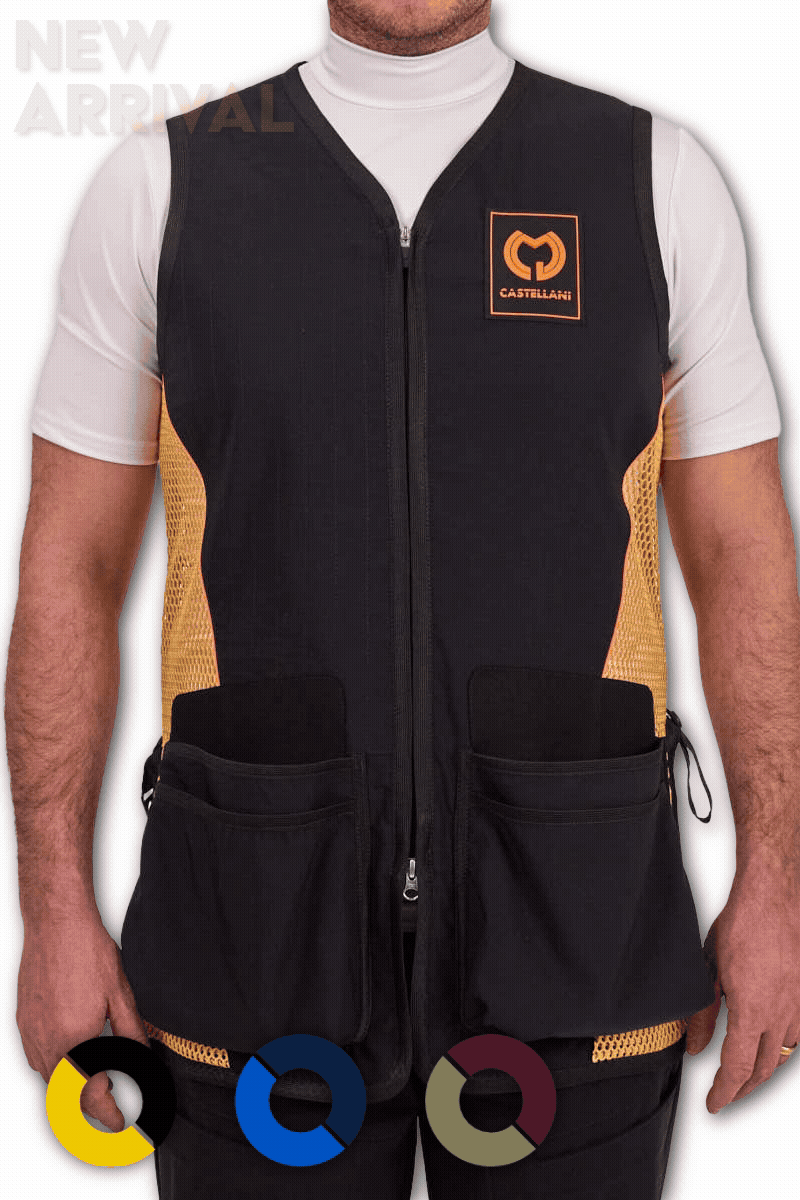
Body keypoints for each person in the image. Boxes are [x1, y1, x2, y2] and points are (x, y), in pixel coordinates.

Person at [6, 2, 799, 1198]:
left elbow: (741, 555)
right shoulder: (164, 185)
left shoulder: (651, 179)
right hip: (255, 947)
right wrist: (53, 908)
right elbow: (69, 561)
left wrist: (773, 882)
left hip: (574, 942)